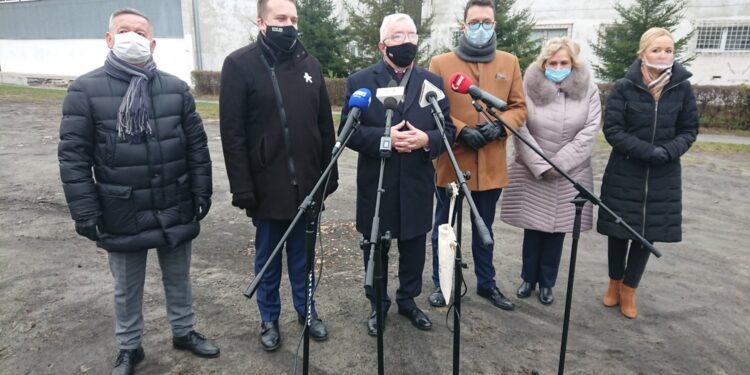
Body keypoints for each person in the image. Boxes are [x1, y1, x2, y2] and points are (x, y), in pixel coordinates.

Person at [57, 8, 219, 375]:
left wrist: (201, 191)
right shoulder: (84, 90)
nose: (132, 36)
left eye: (139, 31)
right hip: (121, 209)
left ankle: (184, 331)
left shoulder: (176, 89)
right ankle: (130, 347)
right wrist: (85, 212)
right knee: (127, 286)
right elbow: (73, 158)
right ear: (109, 39)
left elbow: (197, 146)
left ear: (152, 42)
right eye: (124, 30)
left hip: (173, 201)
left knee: (179, 277)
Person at [219, 0, 338, 351]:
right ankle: (269, 317)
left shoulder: (309, 64)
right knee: (269, 260)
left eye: (293, 18)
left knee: (304, 257)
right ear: (261, 22)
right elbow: (232, 132)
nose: (289, 24)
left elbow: (324, 126)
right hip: (266, 187)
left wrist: (327, 176)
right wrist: (241, 186)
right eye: (280, 18)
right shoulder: (239, 64)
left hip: (308, 184)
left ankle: (307, 309)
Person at [342, 13, 454, 336]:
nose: (407, 42)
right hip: (377, 187)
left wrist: (425, 139)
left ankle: (408, 300)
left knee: (414, 250)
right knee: (375, 250)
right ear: (382, 45)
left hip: (417, 186)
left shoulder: (432, 83)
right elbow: (348, 132)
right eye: (398, 36)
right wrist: (386, 139)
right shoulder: (359, 82)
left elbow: (447, 129)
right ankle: (378, 304)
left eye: (412, 35)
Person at [427, 0, 527, 311]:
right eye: (475, 22)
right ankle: (442, 283)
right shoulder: (440, 63)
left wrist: (500, 127)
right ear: (464, 26)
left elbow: (519, 107)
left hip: (491, 164)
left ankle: (487, 284)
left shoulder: (509, 62)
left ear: (494, 26)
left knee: (485, 229)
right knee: (445, 228)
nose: (480, 27)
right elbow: (431, 106)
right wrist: (458, 129)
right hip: (453, 161)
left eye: (486, 22)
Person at [598, 27, 698, 319]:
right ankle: (614, 283)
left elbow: (689, 130)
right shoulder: (625, 87)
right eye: (656, 50)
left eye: (668, 50)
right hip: (625, 170)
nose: (662, 55)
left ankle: (630, 290)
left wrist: (667, 152)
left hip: (662, 175)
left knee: (646, 234)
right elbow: (613, 130)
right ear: (642, 53)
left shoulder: (682, 89)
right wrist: (646, 151)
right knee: (618, 230)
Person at [500, 37, 601, 306]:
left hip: (570, 172)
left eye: (563, 62)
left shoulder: (589, 89)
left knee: (557, 231)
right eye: (552, 62)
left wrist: (561, 164)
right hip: (533, 170)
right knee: (533, 229)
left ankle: (547, 283)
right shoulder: (527, 87)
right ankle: (527, 278)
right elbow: (520, 126)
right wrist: (541, 164)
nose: (558, 66)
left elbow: (590, 131)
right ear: (543, 63)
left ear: (573, 63)